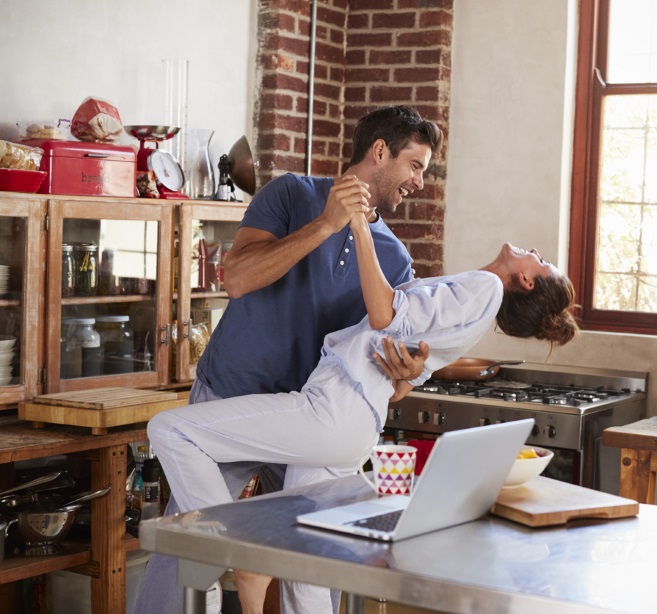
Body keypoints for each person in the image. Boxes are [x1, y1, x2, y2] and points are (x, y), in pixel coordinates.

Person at [148, 213, 580, 612]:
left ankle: (236, 552)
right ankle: (241, 556)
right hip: (355, 422)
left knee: (171, 429)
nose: (535, 253)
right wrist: (408, 371)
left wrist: (358, 227)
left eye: (542, 262)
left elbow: (384, 312)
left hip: (333, 408)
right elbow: (401, 383)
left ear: (525, 280)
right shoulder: (477, 302)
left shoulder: (484, 289)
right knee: (308, 570)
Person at [134, 105, 443, 614]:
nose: (419, 182)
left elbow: (381, 362)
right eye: (415, 166)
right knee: (190, 541)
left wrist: (407, 375)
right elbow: (237, 278)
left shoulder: (394, 259)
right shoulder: (291, 193)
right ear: (380, 151)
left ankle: (251, 566)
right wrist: (325, 225)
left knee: (316, 551)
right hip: (234, 392)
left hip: (306, 415)